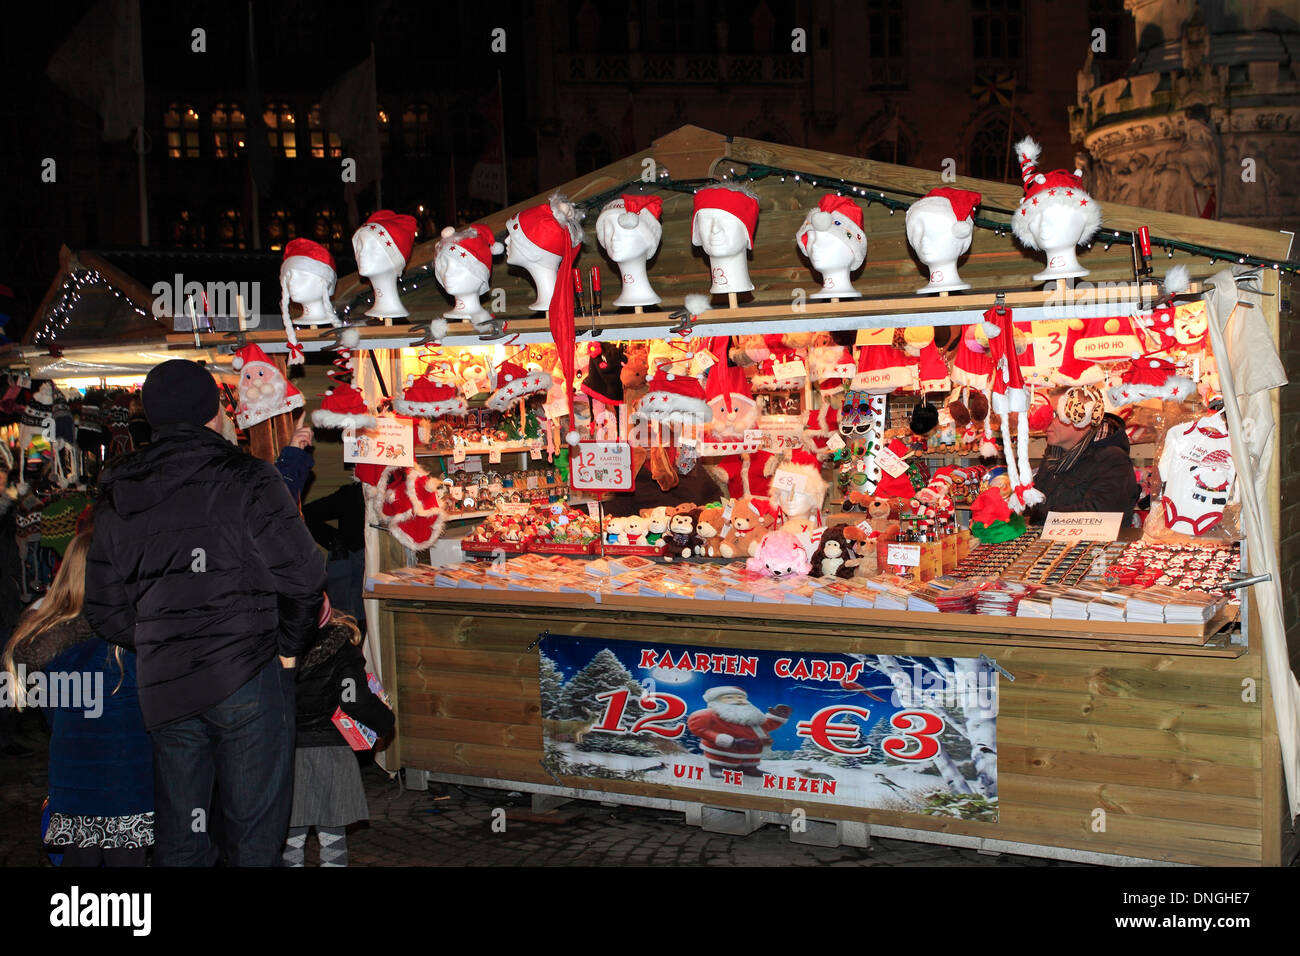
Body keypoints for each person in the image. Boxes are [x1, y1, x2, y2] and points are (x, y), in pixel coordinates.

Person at [84, 359, 325, 867]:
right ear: (214, 412)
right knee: (254, 837)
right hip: (247, 676)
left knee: (182, 837)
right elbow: (303, 578)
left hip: (168, 684)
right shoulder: (246, 477)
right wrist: (286, 650)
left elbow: (105, 610)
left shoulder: (118, 492)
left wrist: (163, 638)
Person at [3, 526, 154, 866]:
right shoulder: (127, 642)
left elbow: (51, 714)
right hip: (126, 785)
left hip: (71, 783)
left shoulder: (39, 642)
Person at [283, 598, 394, 867]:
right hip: (330, 750)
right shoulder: (342, 652)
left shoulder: (276, 647)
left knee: (290, 832)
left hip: (285, 751)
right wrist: (384, 720)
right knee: (332, 832)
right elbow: (354, 699)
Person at [1029, 384, 1140, 525]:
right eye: (1046, 413)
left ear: (1083, 417)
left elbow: (1099, 517)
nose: (1046, 421)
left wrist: (1042, 513)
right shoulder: (1054, 456)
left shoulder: (1112, 459)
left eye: (1056, 414)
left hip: (1093, 546)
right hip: (1051, 544)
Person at [303, 469, 366, 625]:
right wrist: (335, 540)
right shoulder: (352, 494)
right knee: (348, 624)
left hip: (361, 566)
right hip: (351, 568)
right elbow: (306, 514)